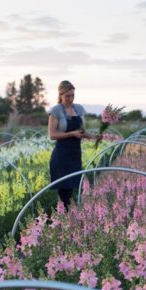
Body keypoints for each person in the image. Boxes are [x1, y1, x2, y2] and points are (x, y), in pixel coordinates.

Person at [48, 80, 101, 208]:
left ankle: (68, 219)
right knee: (64, 192)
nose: (70, 98)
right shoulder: (55, 111)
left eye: (72, 95)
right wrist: (71, 134)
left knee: (72, 190)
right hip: (62, 155)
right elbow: (52, 135)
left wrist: (95, 137)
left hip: (75, 154)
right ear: (60, 95)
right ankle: (63, 219)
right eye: (67, 96)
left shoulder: (79, 109)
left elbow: (82, 132)